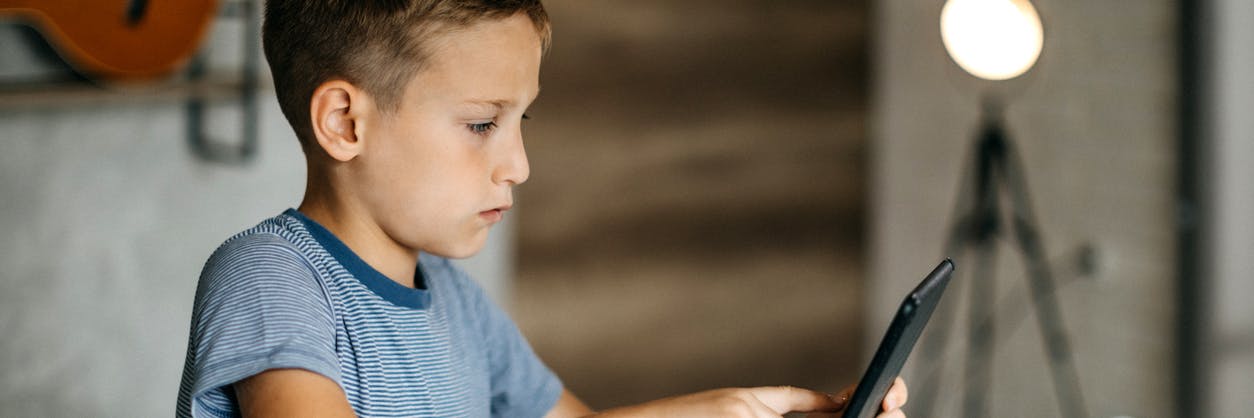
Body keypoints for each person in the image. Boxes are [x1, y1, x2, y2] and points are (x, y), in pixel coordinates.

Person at [175, 1, 909, 417]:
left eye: (520, 121)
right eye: (479, 124)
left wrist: (745, 411)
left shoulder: (455, 303)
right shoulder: (272, 278)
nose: (518, 165)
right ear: (344, 122)